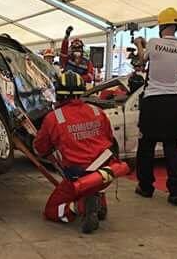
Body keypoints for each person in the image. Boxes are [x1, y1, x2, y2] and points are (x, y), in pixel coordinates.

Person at [34, 71, 124, 234]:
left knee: (52, 211)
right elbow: (109, 139)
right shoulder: (97, 111)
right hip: (107, 172)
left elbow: (40, 148)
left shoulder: (54, 118)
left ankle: (79, 207)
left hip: (79, 176)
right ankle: (99, 202)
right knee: (95, 179)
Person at [134, 7, 177, 206]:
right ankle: (176, 192)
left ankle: (146, 187)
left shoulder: (153, 43)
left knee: (146, 147)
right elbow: (161, 54)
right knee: (172, 148)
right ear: (176, 26)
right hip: (174, 101)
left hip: (154, 100)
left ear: (161, 25)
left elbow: (142, 59)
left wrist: (139, 43)